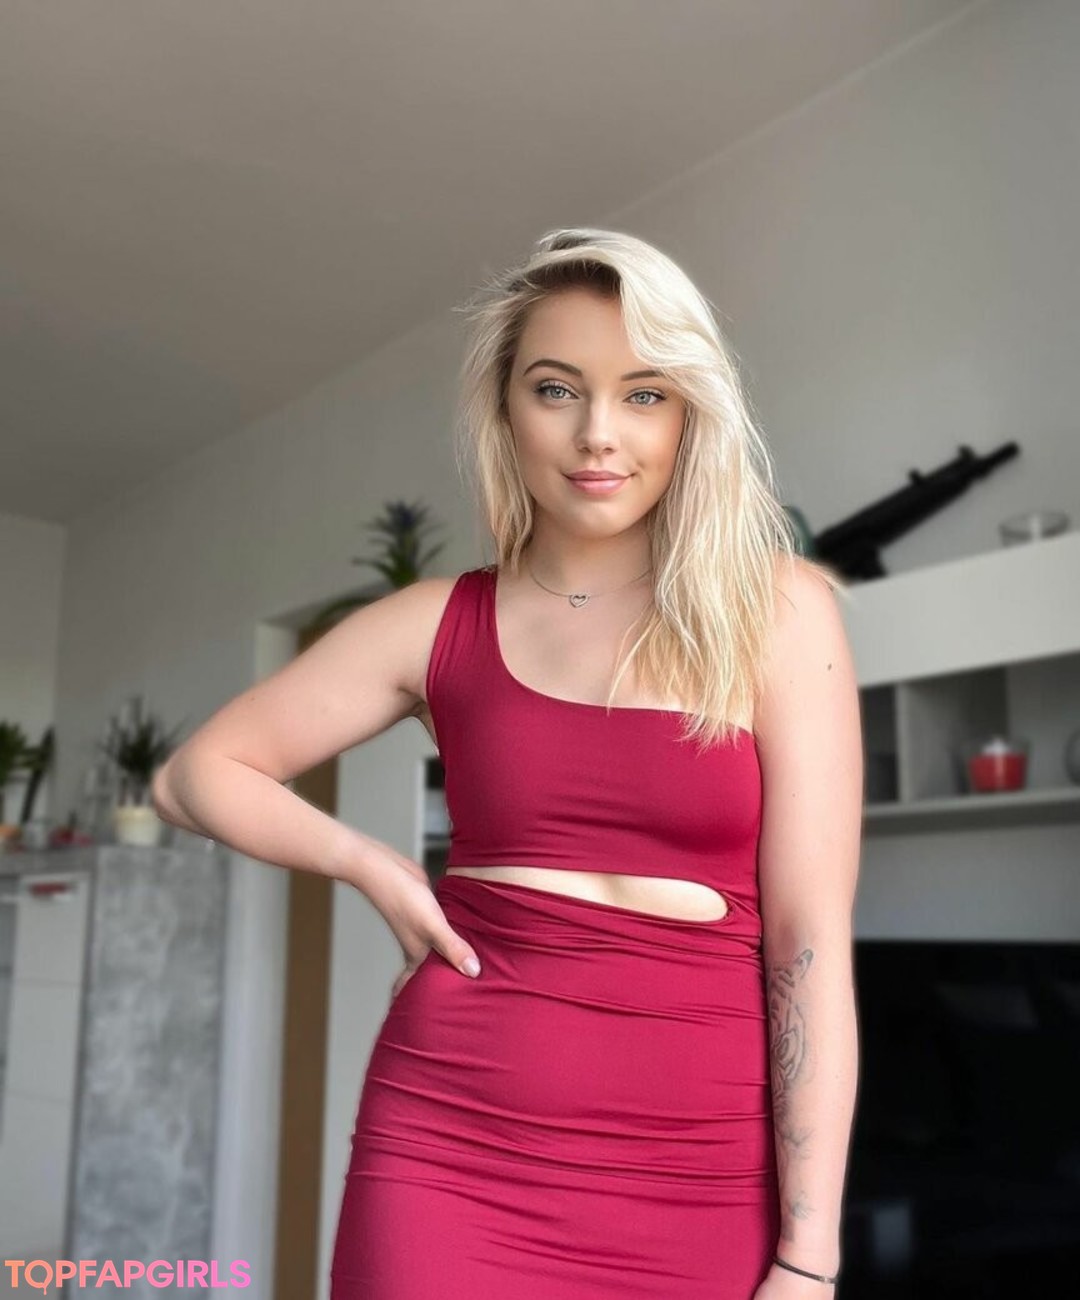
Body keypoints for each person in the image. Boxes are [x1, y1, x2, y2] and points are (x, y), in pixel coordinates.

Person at [153, 227, 863, 1298]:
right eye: (556, 389)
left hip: (700, 1173)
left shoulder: (776, 610)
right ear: (505, 409)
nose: (597, 433)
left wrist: (810, 1257)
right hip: (450, 1149)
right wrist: (373, 865)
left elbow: (807, 942)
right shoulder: (434, 621)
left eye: (644, 394)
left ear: (689, 414)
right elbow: (193, 774)